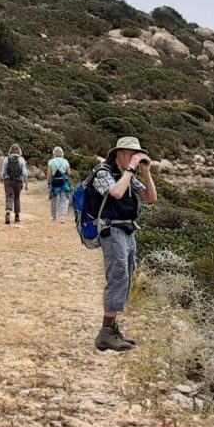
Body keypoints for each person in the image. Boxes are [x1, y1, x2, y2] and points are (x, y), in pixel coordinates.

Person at [90, 136, 157, 352]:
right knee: (118, 275)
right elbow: (116, 193)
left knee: (127, 275)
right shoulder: (104, 172)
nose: (136, 158)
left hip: (128, 230)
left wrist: (145, 171)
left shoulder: (126, 174)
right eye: (131, 154)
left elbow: (151, 197)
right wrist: (130, 169)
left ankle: (112, 328)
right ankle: (105, 334)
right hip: (112, 230)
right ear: (120, 154)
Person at [0, 144, 28, 225]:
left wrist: (4, 180)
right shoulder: (21, 159)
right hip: (18, 181)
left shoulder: (6, 159)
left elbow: (3, 173)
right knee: (17, 197)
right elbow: (24, 173)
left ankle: (8, 213)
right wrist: (26, 184)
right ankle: (17, 217)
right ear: (19, 150)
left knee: (9, 196)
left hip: (8, 181)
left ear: (10, 150)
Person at [47, 146, 72, 224]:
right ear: (62, 153)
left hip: (54, 182)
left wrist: (48, 182)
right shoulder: (65, 161)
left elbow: (49, 173)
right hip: (64, 182)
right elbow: (69, 173)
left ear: (54, 153)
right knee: (64, 199)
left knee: (54, 200)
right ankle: (63, 217)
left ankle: (53, 217)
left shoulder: (50, 161)